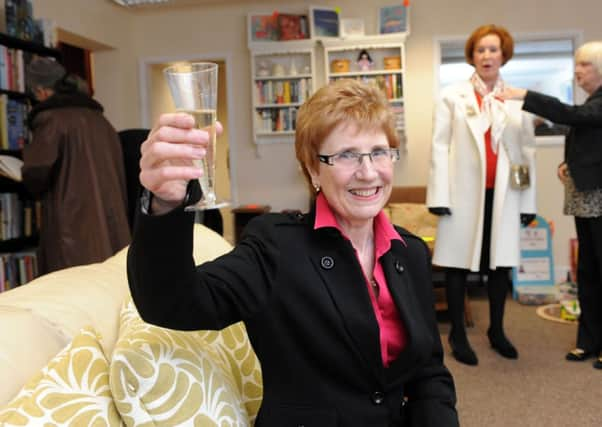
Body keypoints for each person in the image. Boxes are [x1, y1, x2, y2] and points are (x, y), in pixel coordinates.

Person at [128, 79, 459, 425]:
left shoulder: (410, 253)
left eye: (379, 152)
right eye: (346, 154)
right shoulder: (276, 246)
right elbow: (173, 303)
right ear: (313, 168)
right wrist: (165, 202)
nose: (368, 172)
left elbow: (429, 374)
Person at [426, 24, 537, 366]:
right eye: (480, 50)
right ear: (472, 56)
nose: (487, 55)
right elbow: (439, 146)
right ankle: (458, 333)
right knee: (459, 265)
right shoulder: (452, 96)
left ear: (504, 54)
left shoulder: (518, 99)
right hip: (462, 197)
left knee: (500, 265)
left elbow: (526, 152)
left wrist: (528, 201)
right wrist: (439, 194)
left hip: (505, 197)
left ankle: (497, 331)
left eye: (493, 49)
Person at [502, 41, 602, 370]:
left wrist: (525, 96)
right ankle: (588, 342)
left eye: (584, 65)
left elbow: (572, 116)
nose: (577, 71)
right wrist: (567, 164)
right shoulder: (593, 101)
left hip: (598, 198)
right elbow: (585, 136)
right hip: (585, 197)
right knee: (586, 271)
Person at [23, 57, 130, 275]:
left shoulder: (52, 121)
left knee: (70, 291)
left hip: (72, 230)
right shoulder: (101, 120)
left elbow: (37, 173)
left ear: (42, 91)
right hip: (111, 228)